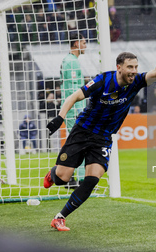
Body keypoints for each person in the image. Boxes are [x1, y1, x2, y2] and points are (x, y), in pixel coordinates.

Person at [44, 34, 156, 231]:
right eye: (130, 67)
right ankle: (53, 173)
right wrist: (60, 118)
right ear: (119, 67)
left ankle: (60, 217)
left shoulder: (137, 82)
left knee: (92, 178)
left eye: (136, 67)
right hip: (83, 131)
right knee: (62, 177)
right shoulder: (102, 81)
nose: (134, 71)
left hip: (103, 138)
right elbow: (74, 96)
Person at [60, 32, 87, 188]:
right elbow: (71, 89)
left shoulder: (69, 60)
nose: (85, 46)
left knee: (75, 143)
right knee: (79, 143)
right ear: (76, 43)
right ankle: (80, 179)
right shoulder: (71, 62)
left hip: (72, 109)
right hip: (73, 109)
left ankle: (68, 177)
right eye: (84, 42)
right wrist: (78, 109)